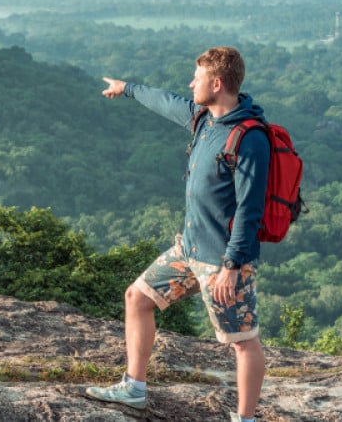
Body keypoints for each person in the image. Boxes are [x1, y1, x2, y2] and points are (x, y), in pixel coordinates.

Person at [86, 47, 268, 422]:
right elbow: (167, 102)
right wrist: (127, 88)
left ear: (217, 84)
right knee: (137, 297)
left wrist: (232, 266)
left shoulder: (247, 138)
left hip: (223, 260)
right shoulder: (205, 119)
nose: (191, 83)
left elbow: (251, 210)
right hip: (190, 249)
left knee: (243, 342)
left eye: (197, 77)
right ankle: (134, 388)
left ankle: (246, 419)